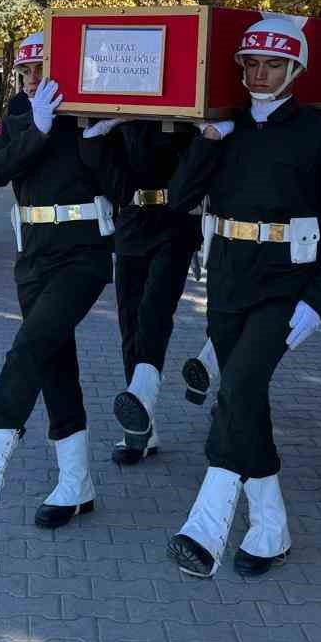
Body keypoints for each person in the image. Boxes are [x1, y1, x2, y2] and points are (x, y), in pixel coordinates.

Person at [164, 18, 321, 577]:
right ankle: (271, 527)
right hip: (228, 280)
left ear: (295, 69)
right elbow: (180, 199)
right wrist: (207, 139)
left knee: (243, 385)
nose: (259, 74)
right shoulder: (228, 130)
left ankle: (206, 524)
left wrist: (318, 303)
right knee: (246, 399)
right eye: (250, 64)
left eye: (272, 64)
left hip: (286, 285)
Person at [0, 32, 120, 529]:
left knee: (30, 345)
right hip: (33, 256)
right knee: (54, 363)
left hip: (83, 255)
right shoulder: (16, 119)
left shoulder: (89, 118)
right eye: (27, 73)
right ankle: (76, 483)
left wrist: (101, 138)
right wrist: (34, 129)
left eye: (42, 70)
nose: (34, 80)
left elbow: (124, 182)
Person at [106, 119, 203, 465]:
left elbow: (196, 166)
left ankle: (141, 397)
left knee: (154, 311)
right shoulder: (122, 117)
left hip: (175, 223)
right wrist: (101, 131)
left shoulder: (182, 114)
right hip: (132, 222)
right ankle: (141, 428)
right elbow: (108, 175)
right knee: (129, 323)